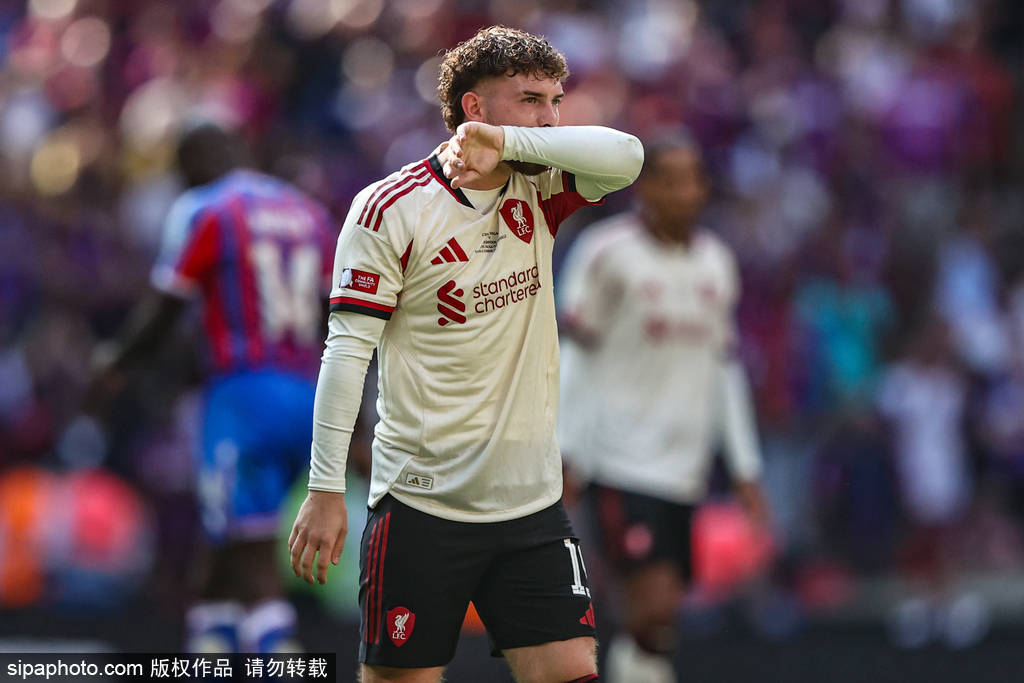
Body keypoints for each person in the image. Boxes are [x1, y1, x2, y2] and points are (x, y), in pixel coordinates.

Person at [287, 26, 643, 683]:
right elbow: (346, 352)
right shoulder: (391, 208)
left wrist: (509, 142)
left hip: (531, 502)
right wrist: (327, 487)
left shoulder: (540, 187)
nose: (550, 119)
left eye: (555, 101)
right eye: (530, 100)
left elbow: (628, 155)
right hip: (424, 504)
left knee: (570, 670)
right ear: (474, 107)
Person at [91, 122, 337, 652]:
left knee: (250, 548)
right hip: (310, 396)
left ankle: (278, 653)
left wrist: (115, 365)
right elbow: (334, 317)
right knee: (225, 534)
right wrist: (355, 415)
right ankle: (209, 647)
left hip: (244, 394)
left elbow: (165, 306)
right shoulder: (308, 212)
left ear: (194, 164)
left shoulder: (207, 208)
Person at [556, 133, 769, 683]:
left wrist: (744, 466)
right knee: (651, 600)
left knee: (660, 615)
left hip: (686, 466)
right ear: (644, 187)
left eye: (692, 180)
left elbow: (725, 369)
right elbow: (576, 355)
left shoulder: (717, 262)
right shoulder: (606, 253)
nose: (683, 192)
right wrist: (567, 448)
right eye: (670, 180)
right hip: (620, 458)